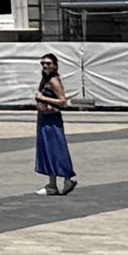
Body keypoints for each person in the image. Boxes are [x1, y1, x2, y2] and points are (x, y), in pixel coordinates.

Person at [35, 54, 77, 195]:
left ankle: (67, 177)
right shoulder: (45, 80)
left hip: (52, 119)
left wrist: (43, 98)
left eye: (48, 63)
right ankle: (52, 184)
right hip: (44, 118)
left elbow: (63, 101)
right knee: (48, 150)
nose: (45, 66)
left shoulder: (54, 81)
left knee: (57, 148)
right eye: (43, 64)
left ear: (55, 65)